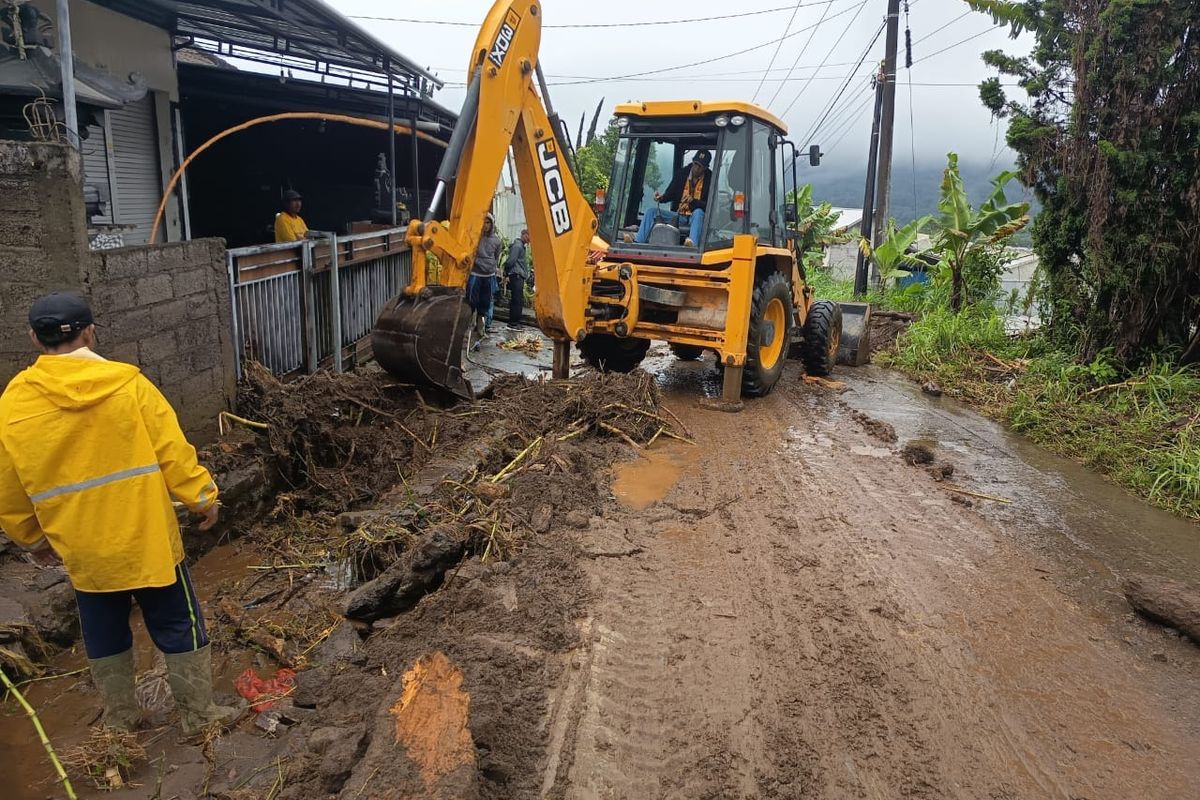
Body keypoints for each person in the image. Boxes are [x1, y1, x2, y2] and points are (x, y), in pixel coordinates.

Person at [0, 293, 242, 736]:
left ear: (34, 338)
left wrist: (31, 539)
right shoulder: (128, 384)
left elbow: (8, 485)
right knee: (177, 621)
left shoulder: (15, 403)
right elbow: (173, 453)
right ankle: (198, 716)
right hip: (146, 538)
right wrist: (203, 498)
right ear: (91, 331)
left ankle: (121, 720)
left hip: (84, 548)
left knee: (103, 630)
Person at [630, 149, 712, 247]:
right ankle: (638, 242)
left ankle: (691, 246)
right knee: (651, 211)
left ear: (705, 168)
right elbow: (670, 194)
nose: (696, 168)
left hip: (696, 218)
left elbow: (711, 205)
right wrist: (661, 197)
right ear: (692, 161)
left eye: (700, 167)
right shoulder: (681, 174)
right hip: (679, 215)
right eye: (695, 164)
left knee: (698, 212)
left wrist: (694, 202)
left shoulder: (710, 179)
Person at [467, 213, 502, 346]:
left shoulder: (497, 241)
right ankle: (469, 326)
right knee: (471, 301)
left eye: (488, 223)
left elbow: (496, 256)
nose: (486, 225)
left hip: (489, 276)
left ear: (492, 225)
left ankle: (481, 328)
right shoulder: (475, 237)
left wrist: (492, 267)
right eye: (484, 222)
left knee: (485, 303)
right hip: (476, 274)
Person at [504, 229, 531, 329]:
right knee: (516, 300)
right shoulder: (517, 246)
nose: (530, 239)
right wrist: (506, 272)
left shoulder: (521, 246)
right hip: (516, 275)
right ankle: (513, 323)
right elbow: (511, 261)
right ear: (524, 235)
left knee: (518, 300)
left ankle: (515, 322)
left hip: (518, 275)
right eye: (529, 236)